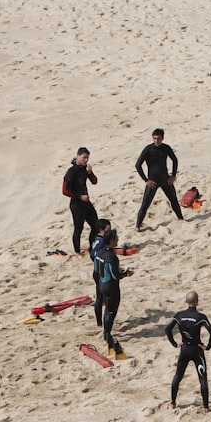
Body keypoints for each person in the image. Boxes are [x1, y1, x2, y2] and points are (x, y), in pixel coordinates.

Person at [165, 291, 211, 411]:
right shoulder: (201, 317)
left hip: (184, 350)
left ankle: (172, 403)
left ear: (186, 301)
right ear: (197, 301)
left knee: (177, 376)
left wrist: (174, 343)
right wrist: (207, 347)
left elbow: (167, 329)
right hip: (197, 350)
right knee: (202, 379)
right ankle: (205, 407)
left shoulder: (179, 315)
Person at [134, 128, 185, 230]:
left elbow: (175, 160)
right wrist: (146, 180)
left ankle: (181, 219)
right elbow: (138, 165)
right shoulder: (148, 149)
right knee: (145, 204)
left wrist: (173, 175)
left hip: (165, 180)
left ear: (162, 138)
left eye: (158, 138)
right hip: (153, 182)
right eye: (154, 138)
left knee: (174, 201)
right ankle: (138, 226)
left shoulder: (166, 148)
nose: (156, 141)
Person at [95, 229, 133, 358]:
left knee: (105, 308)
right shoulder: (112, 257)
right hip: (111, 287)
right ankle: (107, 334)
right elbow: (116, 276)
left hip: (101, 284)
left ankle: (104, 329)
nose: (118, 241)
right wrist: (126, 273)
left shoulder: (99, 252)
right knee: (111, 311)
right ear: (111, 241)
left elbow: (96, 270)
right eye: (116, 239)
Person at [62, 147, 99, 255]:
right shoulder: (71, 172)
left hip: (86, 203)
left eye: (87, 158)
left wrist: (90, 172)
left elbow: (94, 182)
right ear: (78, 156)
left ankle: (92, 247)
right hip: (76, 204)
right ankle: (77, 251)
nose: (86, 160)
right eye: (84, 158)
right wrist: (79, 197)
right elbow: (64, 191)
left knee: (95, 225)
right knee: (79, 228)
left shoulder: (85, 169)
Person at [89, 218, 112, 327]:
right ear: (101, 230)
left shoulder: (97, 239)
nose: (110, 232)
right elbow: (94, 254)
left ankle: (100, 322)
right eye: (107, 230)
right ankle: (100, 322)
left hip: (97, 270)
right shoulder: (101, 241)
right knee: (101, 298)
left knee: (100, 298)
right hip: (100, 273)